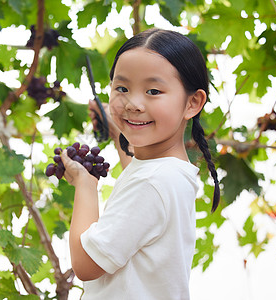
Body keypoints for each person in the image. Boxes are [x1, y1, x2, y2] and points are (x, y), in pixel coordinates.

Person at [60, 28, 221, 300]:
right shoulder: (169, 170)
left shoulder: (152, 183)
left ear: (193, 103)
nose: (133, 103)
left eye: (153, 91)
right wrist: (116, 133)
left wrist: (85, 185)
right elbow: (140, 183)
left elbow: (86, 264)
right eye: (122, 88)